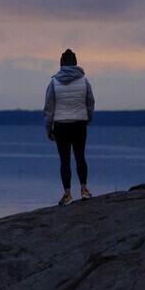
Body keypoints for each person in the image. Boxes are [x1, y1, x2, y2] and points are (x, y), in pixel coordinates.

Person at [43, 49, 95, 205]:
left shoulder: (54, 82)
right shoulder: (84, 81)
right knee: (80, 157)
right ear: (75, 63)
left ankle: (67, 196)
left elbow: (49, 108)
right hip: (80, 123)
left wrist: (49, 129)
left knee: (64, 159)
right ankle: (84, 190)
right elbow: (90, 103)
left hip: (61, 125)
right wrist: (87, 119)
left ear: (61, 64)